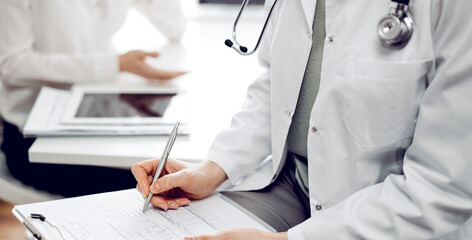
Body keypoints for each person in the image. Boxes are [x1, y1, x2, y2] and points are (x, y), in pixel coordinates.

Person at [132, 0, 472, 239]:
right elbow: (276, 85)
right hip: (290, 183)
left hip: (387, 213)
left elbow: (444, 185)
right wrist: (213, 168)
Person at [0, 0, 186, 197]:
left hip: (97, 121)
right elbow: (11, 64)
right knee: (162, 183)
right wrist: (114, 64)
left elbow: (176, 27)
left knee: (180, 172)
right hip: (34, 137)